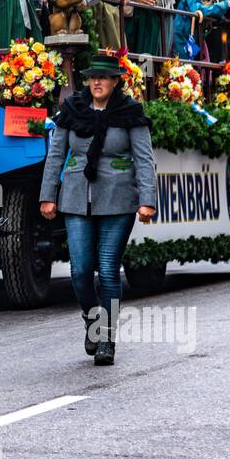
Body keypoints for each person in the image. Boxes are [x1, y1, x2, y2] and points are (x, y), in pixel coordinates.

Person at [39, 53, 156, 366]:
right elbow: (55, 156)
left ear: (115, 81)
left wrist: (148, 200)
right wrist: (48, 195)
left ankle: (107, 337)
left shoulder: (130, 112)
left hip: (118, 200)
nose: (98, 82)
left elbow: (144, 160)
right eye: (93, 77)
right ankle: (91, 318)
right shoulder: (72, 110)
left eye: (104, 78)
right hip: (77, 199)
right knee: (79, 271)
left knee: (107, 269)